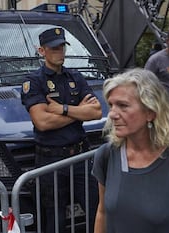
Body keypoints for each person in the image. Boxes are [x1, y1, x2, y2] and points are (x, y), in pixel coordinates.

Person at [92, 68, 169, 233]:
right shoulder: (106, 155)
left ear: (150, 112)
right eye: (111, 105)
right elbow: (103, 212)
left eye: (123, 105)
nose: (112, 114)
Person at [20, 27, 102, 233]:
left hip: (80, 157)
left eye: (62, 47)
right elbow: (42, 122)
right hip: (51, 161)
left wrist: (62, 109)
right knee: (54, 220)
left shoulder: (75, 77)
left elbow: (96, 112)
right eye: (54, 48)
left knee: (96, 213)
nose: (60, 52)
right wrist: (78, 111)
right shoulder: (34, 81)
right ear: (42, 51)